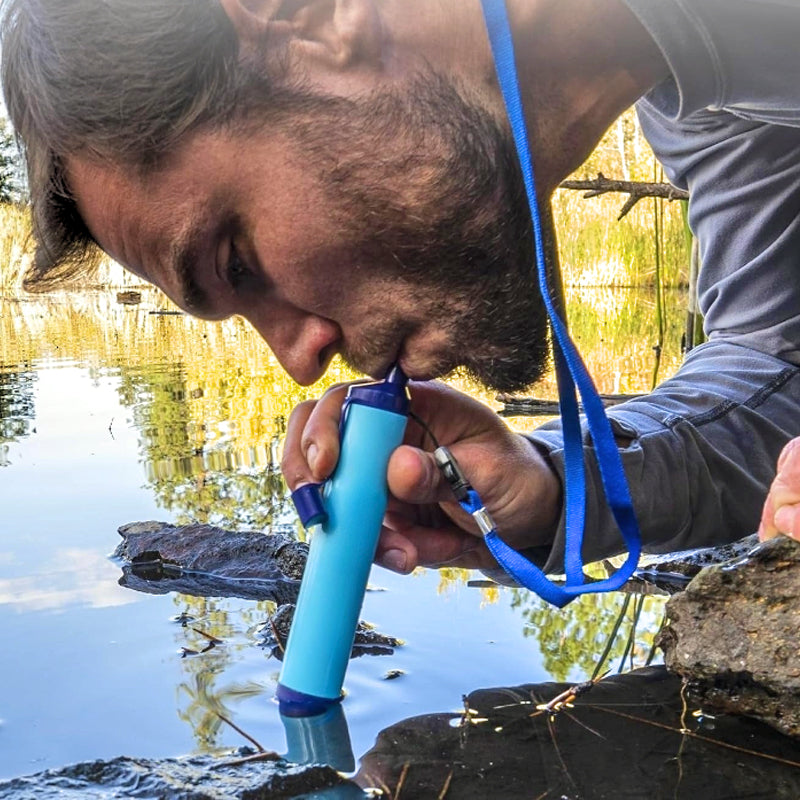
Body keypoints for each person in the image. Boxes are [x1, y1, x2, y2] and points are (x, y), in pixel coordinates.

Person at [2, 0, 800, 582]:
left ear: (302, 16)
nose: (300, 363)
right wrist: (552, 488)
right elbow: (778, 369)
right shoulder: (704, 111)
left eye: (235, 261)